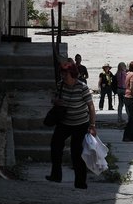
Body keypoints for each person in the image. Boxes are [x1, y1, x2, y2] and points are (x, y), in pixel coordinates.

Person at [46, 61, 97, 189]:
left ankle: (80, 183)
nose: (63, 76)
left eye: (66, 74)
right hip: (64, 122)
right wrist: (56, 101)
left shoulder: (82, 87)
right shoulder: (60, 85)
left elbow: (91, 106)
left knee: (77, 153)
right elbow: (54, 98)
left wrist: (92, 125)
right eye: (62, 73)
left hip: (80, 124)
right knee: (55, 146)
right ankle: (56, 175)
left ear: (73, 74)